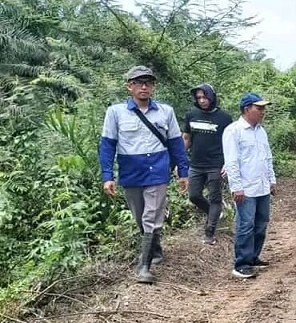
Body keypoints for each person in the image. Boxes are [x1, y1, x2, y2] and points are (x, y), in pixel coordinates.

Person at [98, 65, 189, 284]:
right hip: (132, 173)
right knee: (140, 216)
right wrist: (107, 175)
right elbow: (107, 145)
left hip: (158, 171)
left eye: (148, 82)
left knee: (151, 217)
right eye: (138, 82)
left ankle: (144, 266)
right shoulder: (116, 112)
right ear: (129, 86)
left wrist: (183, 172)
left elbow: (176, 143)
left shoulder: (165, 111)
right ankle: (155, 250)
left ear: (153, 86)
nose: (144, 86)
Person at [222, 92, 276, 278]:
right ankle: (241, 263)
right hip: (245, 188)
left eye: (263, 108)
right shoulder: (233, 131)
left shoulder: (260, 131)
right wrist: (236, 186)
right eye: (259, 108)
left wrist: (272, 179)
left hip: (262, 186)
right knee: (246, 224)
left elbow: (267, 157)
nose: (263, 111)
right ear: (247, 109)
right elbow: (232, 161)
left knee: (261, 223)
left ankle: (253, 256)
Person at [182, 83, 233, 245]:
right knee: (194, 195)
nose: (202, 100)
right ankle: (214, 213)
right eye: (199, 98)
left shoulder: (224, 118)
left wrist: (228, 163)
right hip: (196, 164)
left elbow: (231, 143)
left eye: (205, 97)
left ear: (212, 96)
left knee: (215, 197)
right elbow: (186, 138)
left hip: (216, 164)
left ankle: (209, 233)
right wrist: (181, 160)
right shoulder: (191, 114)